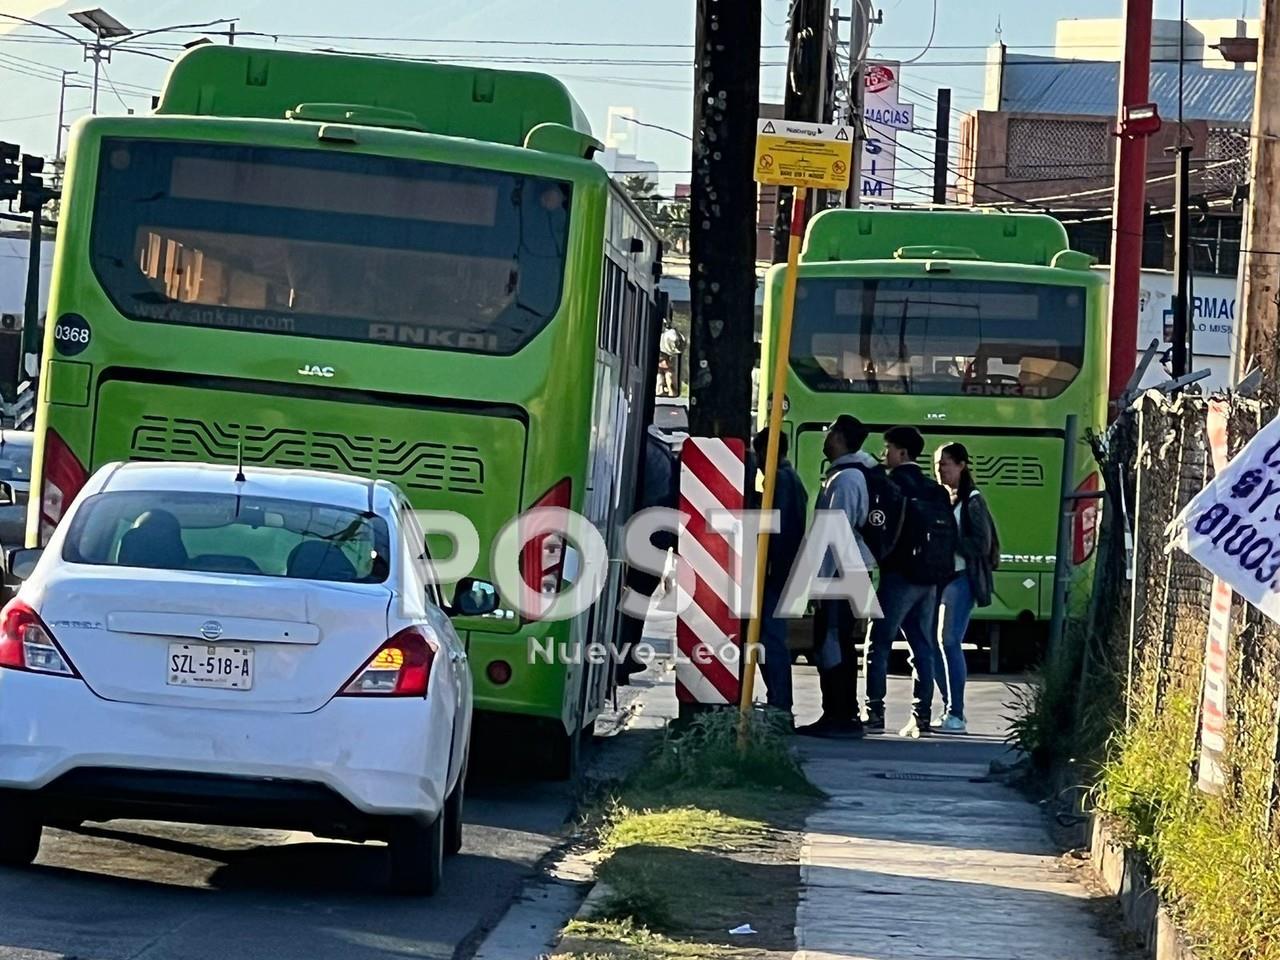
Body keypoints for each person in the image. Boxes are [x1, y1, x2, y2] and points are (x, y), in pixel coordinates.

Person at [864, 425, 949, 739]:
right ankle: (921, 715)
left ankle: (874, 710)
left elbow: (877, 525)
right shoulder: (934, 489)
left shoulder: (891, 485)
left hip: (898, 575)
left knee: (878, 644)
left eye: (888, 448)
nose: (884, 454)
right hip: (930, 578)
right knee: (923, 647)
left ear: (901, 452)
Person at [797, 415, 878, 739]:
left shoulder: (845, 480)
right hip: (852, 570)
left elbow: (836, 535)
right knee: (838, 642)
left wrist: (817, 582)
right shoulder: (853, 474)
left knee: (832, 643)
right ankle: (840, 713)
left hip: (843, 573)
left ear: (840, 438)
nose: (825, 438)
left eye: (828, 433)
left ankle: (839, 715)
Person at [932, 442, 998, 734]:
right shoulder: (946, 499)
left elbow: (981, 545)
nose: (940, 470)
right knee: (933, 643)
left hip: (963, 578)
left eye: (945, 464)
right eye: (937, 464)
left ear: (962, 465)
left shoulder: (972, 500)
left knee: (949, 641)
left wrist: (949, 540)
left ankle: (956, 713)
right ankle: (949, 707)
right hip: (944, 578)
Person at [750, 428, 808, 719]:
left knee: (771, 639)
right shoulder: (791, 479)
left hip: (777, 573)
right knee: (768, 637)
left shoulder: (781, 480)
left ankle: (780, 704)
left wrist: (769, 568)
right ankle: (778, 701)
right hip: (786, 572)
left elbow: (778, 529)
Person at [617, 424, 679, 683]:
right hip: (653, 537)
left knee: (633, 599)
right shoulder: (659, 452)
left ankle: (624, 656)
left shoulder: (640, 446)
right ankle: (625, 657)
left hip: (641, 533)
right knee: (637, 600)